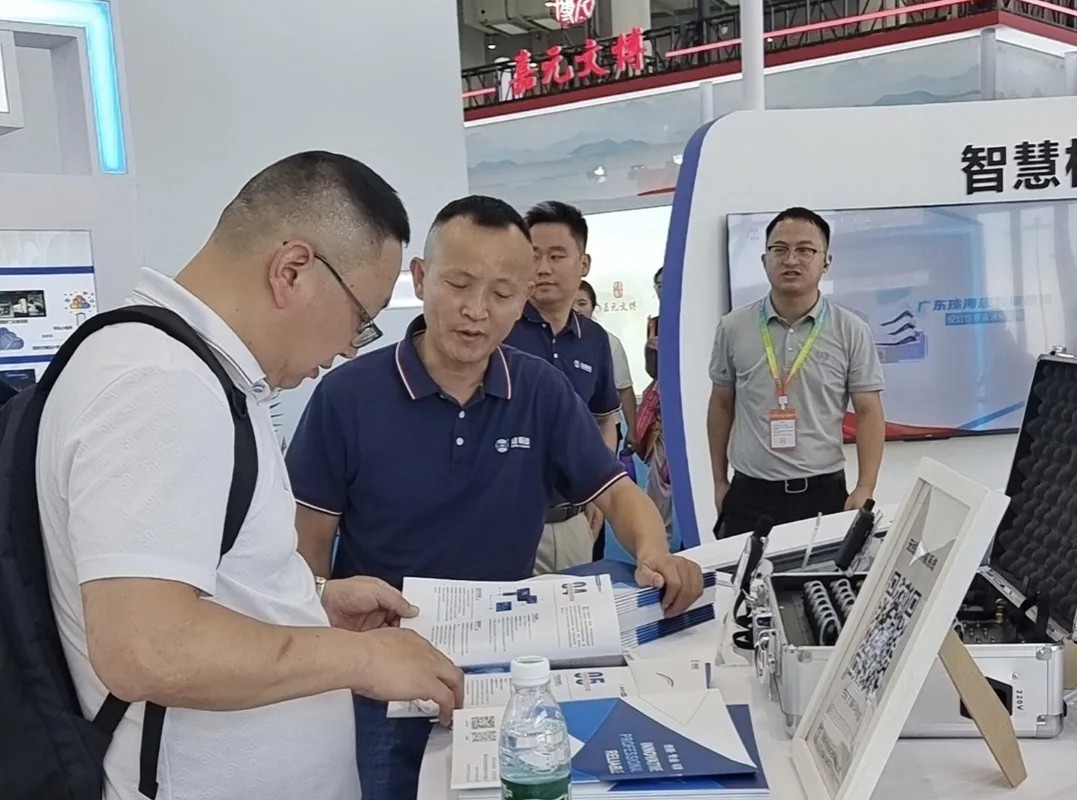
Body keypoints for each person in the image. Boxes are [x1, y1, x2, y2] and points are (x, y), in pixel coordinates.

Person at [35, 151, 464, 800]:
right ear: (292, 270)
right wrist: (364, 658)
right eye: (361, 318)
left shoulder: (189, 370)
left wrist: (306, 601)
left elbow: (187, 580)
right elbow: (147, 646)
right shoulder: (161, 383)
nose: (350, 348)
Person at [286, 195, 705, 800]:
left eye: (503, 293)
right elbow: (306, 549)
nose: (476, 311)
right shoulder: (347, 397)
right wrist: (326, 630)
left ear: (524, 296)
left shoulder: (540, 390)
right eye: (458, 284)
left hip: (502, 663)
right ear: (421, 279)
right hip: (381, 666)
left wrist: (655, 550)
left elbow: (615, 490)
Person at [707, 206, 885, 538]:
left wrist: (865, 486)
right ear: (765, 260)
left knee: (823, 573)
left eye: (805, 250)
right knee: (742, 573)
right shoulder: (733, 327)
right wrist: (719, 481)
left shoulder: (851, 329)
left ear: (826, 261)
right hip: (749, 494)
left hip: (824, 493)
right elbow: (721, 403)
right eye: (780, 250)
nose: (791, 260)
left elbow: (868, 411)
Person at [504, 200, 620, 573]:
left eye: (556, 256)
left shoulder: (595, 339)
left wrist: (600, 489)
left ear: (583, 264)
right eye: (534, 256)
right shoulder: (499, 329)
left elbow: (604, 420)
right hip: (504, 519)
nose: (543, 268)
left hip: (573, 519)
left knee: (578, 607)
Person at [572, 279, 638, 447]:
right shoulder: (552, 339)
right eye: (571, 303)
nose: (576, 309)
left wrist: (632, 429)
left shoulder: (608, 341)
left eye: (582, 303)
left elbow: (624, 389)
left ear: (593, 307)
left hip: (603, 427)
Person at [636, 267, 675, 541]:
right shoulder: (656, 323)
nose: (663, 288)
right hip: (664, 416)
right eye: (658, 284)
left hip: (693, 411)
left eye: (667, 282)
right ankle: (661, 544)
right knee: (659, 486)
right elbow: (653, 372)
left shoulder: (695, 317)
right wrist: (651, 350)